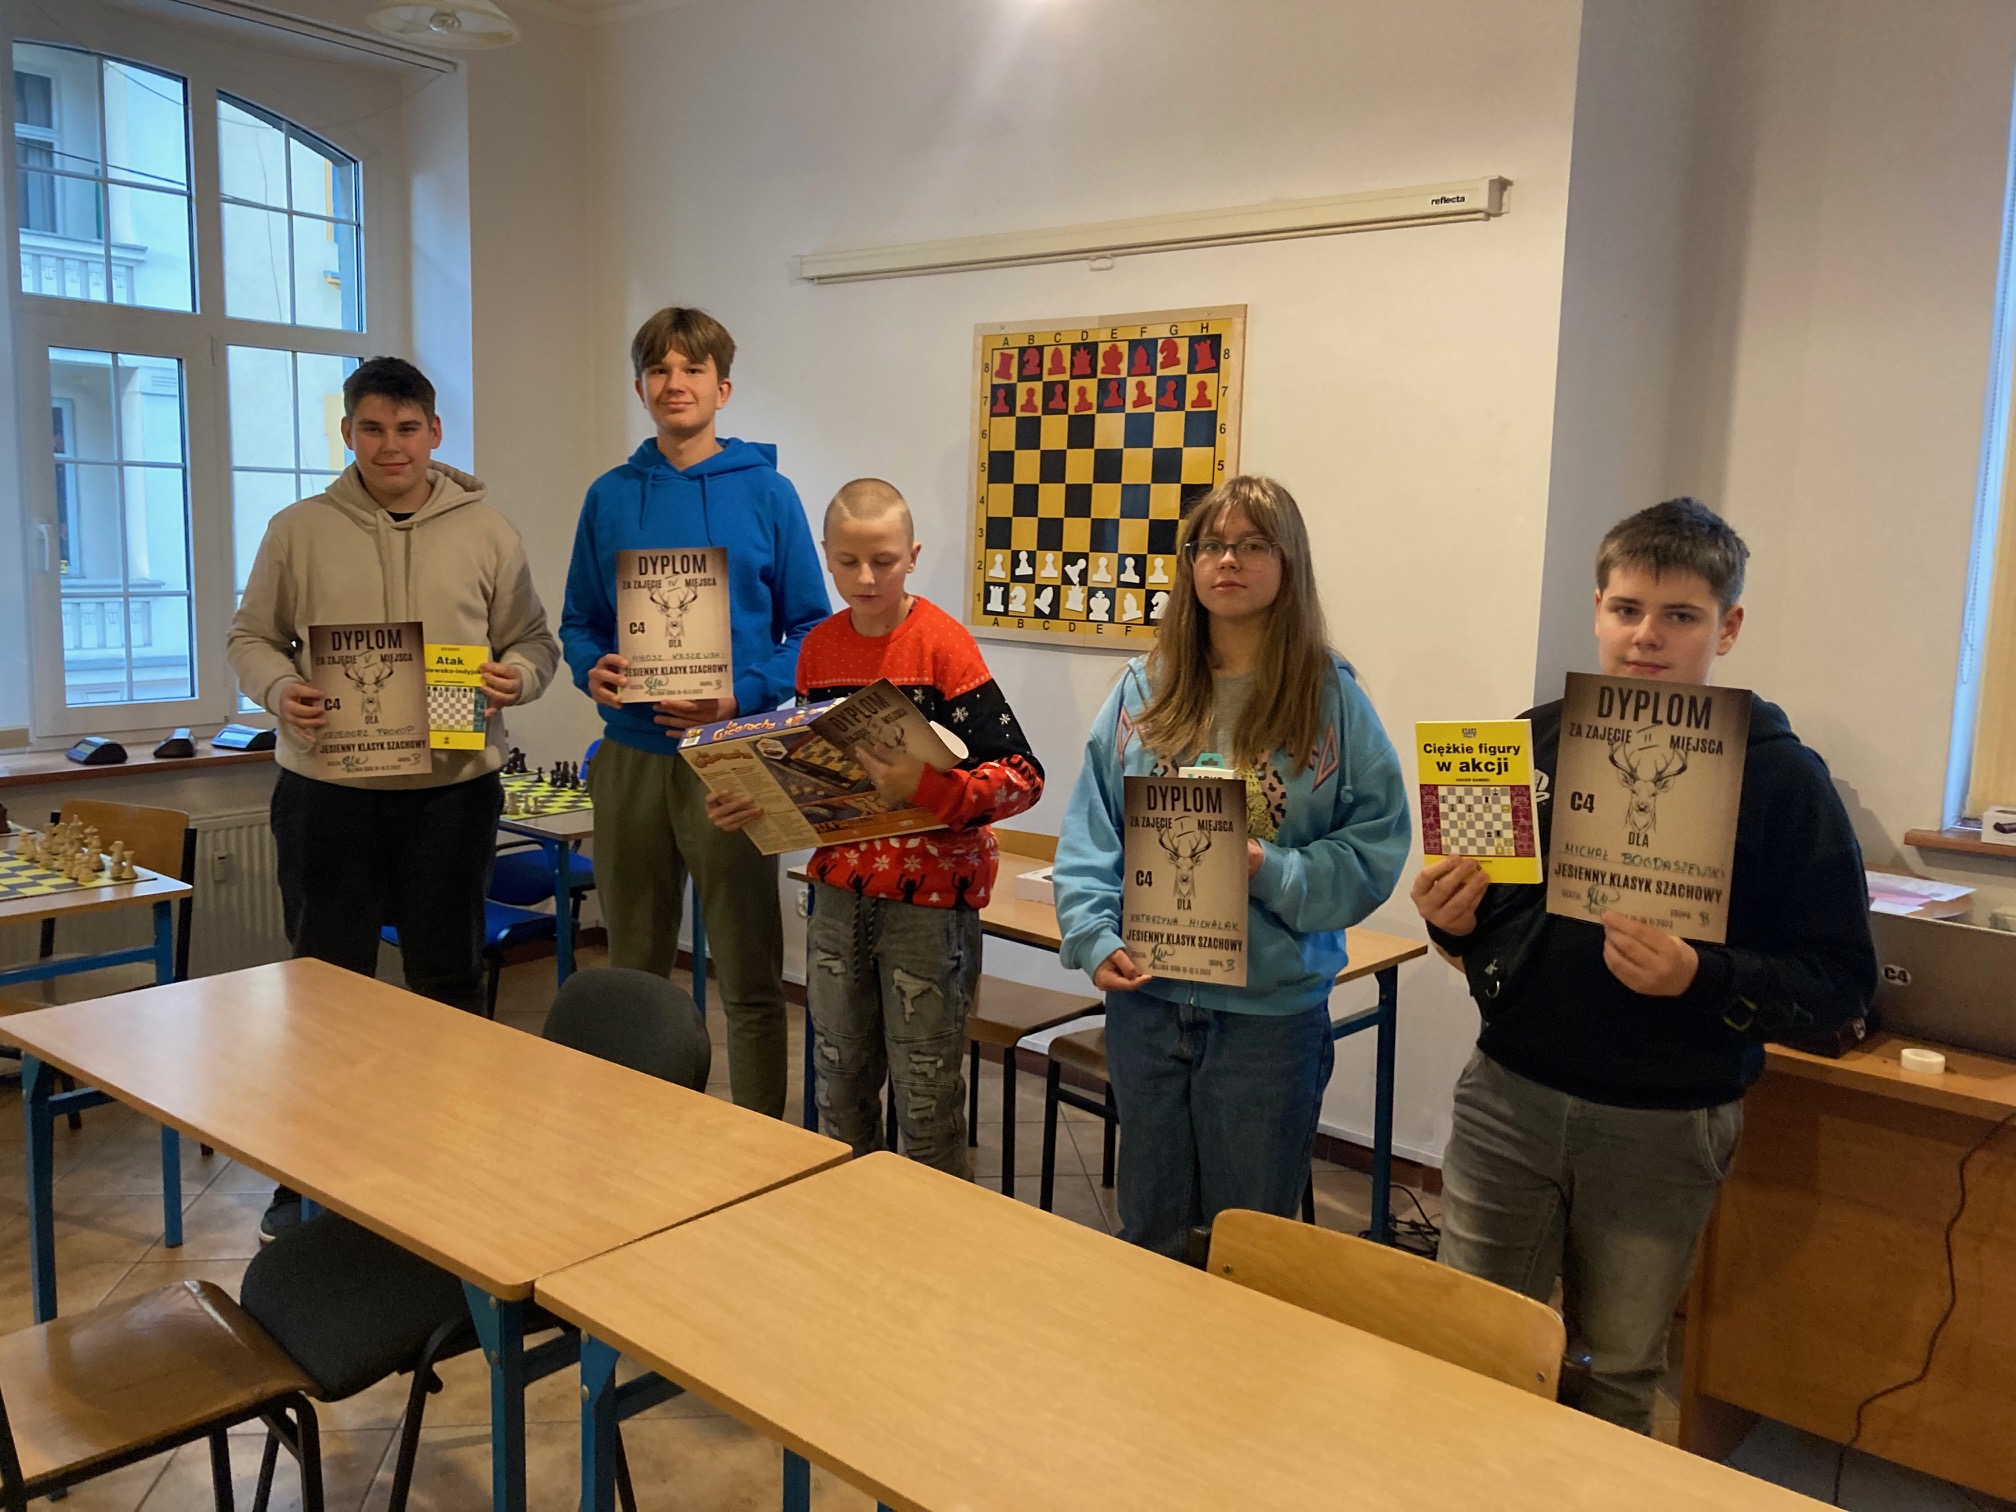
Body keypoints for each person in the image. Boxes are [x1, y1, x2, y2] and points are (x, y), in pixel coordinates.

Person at [1411, 497, 1875, 1432]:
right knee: (1468, 1344)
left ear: (1727, 628)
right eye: (1627, 609)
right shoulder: (1521, 742)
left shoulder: (1786, 780)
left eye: (1681, 615)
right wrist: (1448, 924)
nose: (1647, 636)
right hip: (1507, 1097)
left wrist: (1700, 977)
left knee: (1618, 1368)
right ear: (1597, 611)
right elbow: (1482, 937)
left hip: (1665, 1124)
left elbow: (1839, 982)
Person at [227, 355, 560, 1239]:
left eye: (407, 428)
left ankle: (445, 1162)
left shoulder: (488, 531)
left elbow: (534, 641)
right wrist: (278, 689)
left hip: (451, 794)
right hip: (327, 793)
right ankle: (309, 1180)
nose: (390, 446)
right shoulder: (297, 530)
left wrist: (517, 678)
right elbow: (250, 636)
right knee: (324, 990)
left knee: (447, 980)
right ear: (347, 433)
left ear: (435, 432)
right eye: (372, 429)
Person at [1052, 475, 1411, 1260]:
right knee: (1150, 1232)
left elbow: (1375, 845)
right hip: (1149, 1002)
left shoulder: (1330, 699)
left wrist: (1267, 867)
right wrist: (1092, 934)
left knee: (1246, 1246)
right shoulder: (1143, 692)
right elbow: (1090, 835)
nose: (1228, 560)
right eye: (1210, 545)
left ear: (1289, 562)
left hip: (1266, 1018)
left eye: (1252, 545)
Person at [706, 479, 1043, 1171]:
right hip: (838, 896)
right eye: (848, 562)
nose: (865, 578)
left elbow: (1023, 776)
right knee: (838, 1086)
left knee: (925, 1100)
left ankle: (925, 1230)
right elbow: (816, 777)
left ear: (912, 557)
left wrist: (927, 787)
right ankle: (850, 1227)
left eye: (884, 561)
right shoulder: (819, 648)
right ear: (825, 557)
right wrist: (755, 801)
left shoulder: (943, 646)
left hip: (929, 904)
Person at [559, 307, 828, 1117]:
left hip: (733, 757)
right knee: (634, 974)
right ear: (640, 387)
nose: (675, 383)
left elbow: (810, 630)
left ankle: (757, 1143)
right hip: (632, 758)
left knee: (749, 974)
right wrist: (591, 669)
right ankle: (642, 1138)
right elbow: (580, 622)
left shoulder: (769, 494)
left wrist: (741, 694)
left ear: (723, 387)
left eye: (692, 369)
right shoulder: (609, 495)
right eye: (659, 370)